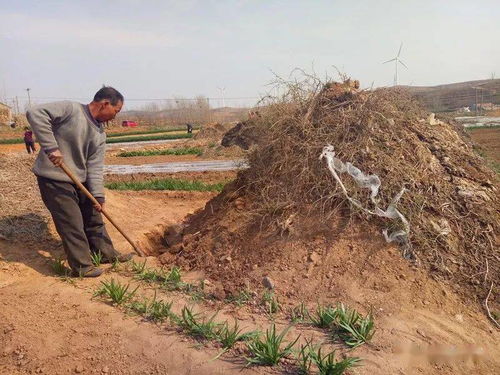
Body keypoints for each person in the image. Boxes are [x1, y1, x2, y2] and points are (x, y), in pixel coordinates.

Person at [26, 87, 133, 277]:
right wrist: (51, 148)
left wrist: (98, 196)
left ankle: (106, 254)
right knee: (71, 223)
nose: (114, 117)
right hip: (55, 177)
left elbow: (95, 166)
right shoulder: (71, 109)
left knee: (94, 218)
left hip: (79, 179)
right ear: (105, 103)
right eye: (116, 111)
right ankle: (82, 266)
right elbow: (35, 113)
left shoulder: (100, 134)